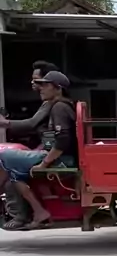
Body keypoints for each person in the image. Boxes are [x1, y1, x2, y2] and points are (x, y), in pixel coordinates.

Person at [0, 71, 77, 229]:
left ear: (58, 88)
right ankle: (38, 211)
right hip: (55, 155)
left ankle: (30, 213)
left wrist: (44, 163)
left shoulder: (60, 107)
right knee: (14, 171)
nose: (40, 88)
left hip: (61, 159)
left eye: (45, 85)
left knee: (3, 156)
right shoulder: (55, 105)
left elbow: (63, 140)